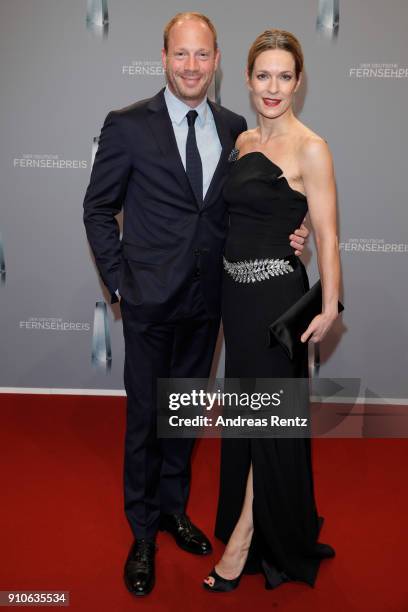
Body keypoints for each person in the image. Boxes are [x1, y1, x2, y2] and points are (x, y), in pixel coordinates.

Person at [83, 13, 308, 597]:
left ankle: (173, 510)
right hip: (150, 302)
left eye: (201, 55)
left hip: (212, 302)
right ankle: (140, 532)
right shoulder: (127, 125)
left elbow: (245, 207)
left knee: (182, 416)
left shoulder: (235, 127)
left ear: (216, 60)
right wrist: (121, 283)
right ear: (163, 57)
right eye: (180, 55)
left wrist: (293, 231)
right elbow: (97, 209)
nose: (191, 66)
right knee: (144, 422)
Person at [203, 29, 341, 592]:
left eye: (285, 76)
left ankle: (242, 541)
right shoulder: (240, 142)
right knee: (252, 413)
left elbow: (329, 237)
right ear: (247, 78)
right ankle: (281, 521)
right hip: (235, 299)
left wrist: (330, 304)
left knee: (267, 417)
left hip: (278, 302)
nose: (273, 87)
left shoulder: (312, 147)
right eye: (264, 75)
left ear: (299, 81)